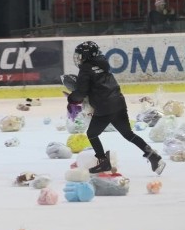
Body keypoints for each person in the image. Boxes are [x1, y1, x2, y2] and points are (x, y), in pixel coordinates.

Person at [65, 41, 166, 176]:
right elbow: (96, 85)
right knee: (128, 134)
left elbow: (81, 92)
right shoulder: (102, 63)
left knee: (92, 134)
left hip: (104, 107)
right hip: (118, 103)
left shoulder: (85, 68)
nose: (80, 59)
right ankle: (153, 155)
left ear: (86, 56)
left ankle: (103, 162)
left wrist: (71, 99)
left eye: (81, 56)